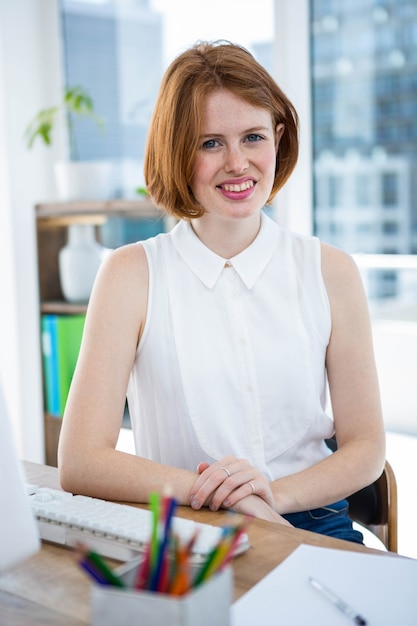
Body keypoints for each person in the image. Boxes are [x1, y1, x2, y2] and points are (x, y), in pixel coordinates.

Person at [58, 40, 386, 543]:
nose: (237, 163)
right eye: (210, 143)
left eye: (252, 137)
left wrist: (270, 497)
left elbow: (366, 447)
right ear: (178, 152)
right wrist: (221, 495)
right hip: (184, 521)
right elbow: (80, 460)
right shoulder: (130, 275)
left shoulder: (331, 271)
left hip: (308, 516)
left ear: (278, 138)